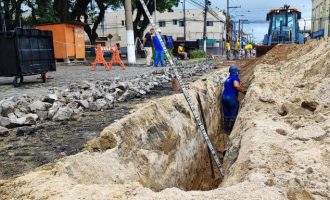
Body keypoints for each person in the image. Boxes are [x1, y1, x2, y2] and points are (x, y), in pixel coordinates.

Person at [222, 65, 246, 134]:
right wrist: (243, 91)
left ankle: (226, 129)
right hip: (231, 98)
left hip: (224, 98)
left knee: (226, 113)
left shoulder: (227, 79)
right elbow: (236, 85)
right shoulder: (235, 78)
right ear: (236, 72)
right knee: (233, 112)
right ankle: (230, 130)